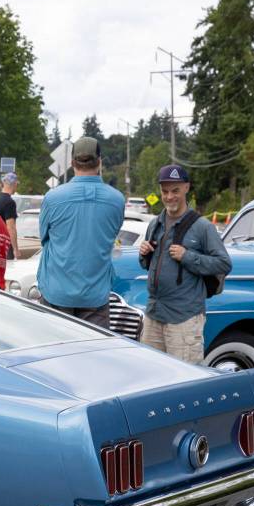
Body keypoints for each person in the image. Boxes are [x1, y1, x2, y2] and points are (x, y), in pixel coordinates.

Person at [138, 165, 231, 363]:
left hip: (184, 319)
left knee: (185, 378)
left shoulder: (203, 226)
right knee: (150, 374)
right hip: (154, 314)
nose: (169, 196)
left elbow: (224, 264)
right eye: (165, 191)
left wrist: (187, 256)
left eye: (175, 191)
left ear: (186, 188)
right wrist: (144, 254)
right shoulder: (155, 224)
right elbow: (148, 265)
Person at [36, 136, 125, 327]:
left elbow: (44, 237)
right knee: (91, 346)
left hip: (56, 292)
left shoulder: (53, 198)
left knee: (55, 345)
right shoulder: (117, 200)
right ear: (99, 161)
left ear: (72, 163)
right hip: (95, 295)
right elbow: (113, 235)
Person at [0, 172, 20, 260]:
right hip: (5, 244)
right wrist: (15, 249)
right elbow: (11, 227)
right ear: (14, 184)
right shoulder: (9, 202)